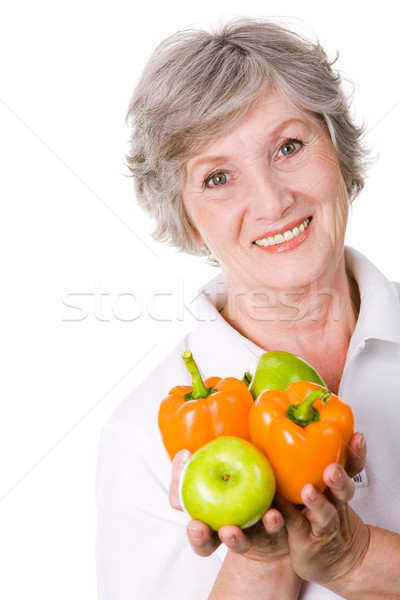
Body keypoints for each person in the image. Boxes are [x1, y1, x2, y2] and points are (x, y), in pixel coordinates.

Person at [96, 18, 400, 599]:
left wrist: (355, 559)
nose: (272, 200)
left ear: (337, 148)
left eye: (288, 146)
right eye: (217, 178)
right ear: (186, 217)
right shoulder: (142, 438)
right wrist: (262, 560)